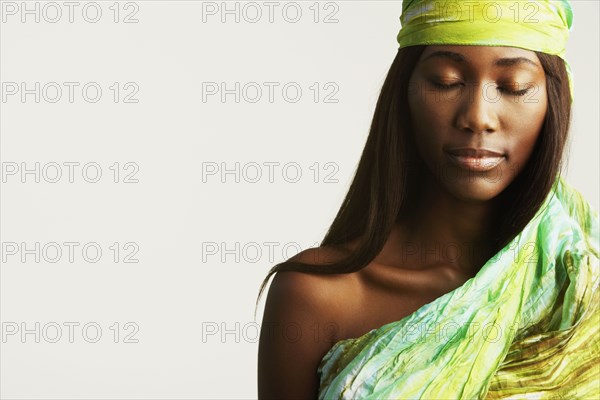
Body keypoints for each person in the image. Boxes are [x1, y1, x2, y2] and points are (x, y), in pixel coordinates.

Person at [256, 0, 599, 398]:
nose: (478, 116)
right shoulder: (317, 294)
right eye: (445, 81)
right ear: (404, 93)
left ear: (556, 100)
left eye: (513, 87)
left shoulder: (582, 284)